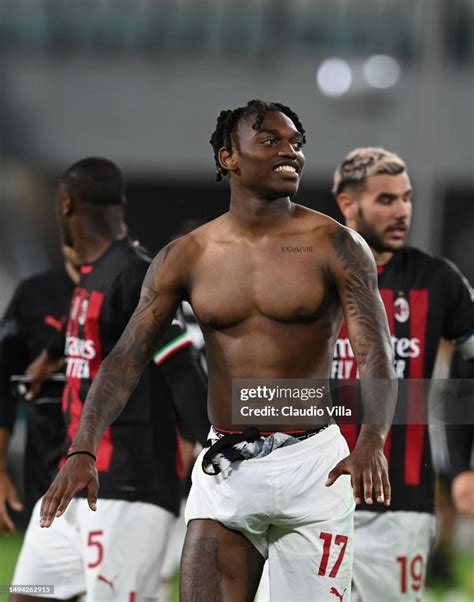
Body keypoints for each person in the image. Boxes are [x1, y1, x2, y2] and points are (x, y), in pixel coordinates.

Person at [40, 101, 397, 602]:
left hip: (315, 464)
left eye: (296, 143)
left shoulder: (335, 245)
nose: (289, 152)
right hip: (226, 467)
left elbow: (375, 350)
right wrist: (83, 447)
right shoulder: (187, 254)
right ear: (228, 157)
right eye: (270, 140)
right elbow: (125, 358)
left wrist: (373, 439)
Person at [11, 157, 207, 602]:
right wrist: (48, 358)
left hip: (127, 488)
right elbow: (89, 330)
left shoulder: (136, 273)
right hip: (73, 484)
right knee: (29, 592)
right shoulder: (95, 274)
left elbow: (180, 365)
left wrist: (213, 451)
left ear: (65, 205)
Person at [331, 147, 474, 601]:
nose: (403, 211)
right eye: (386, 200)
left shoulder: (438, 280)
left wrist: (460, 466)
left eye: (407, 198)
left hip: (401, 504)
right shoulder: (307, 275)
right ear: (348, 205)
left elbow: (467, 369)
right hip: (311, 497)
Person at [0, 247, 78, 533]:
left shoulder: (129, 289)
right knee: (37, 579)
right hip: (44, 466)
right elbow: (4, 381)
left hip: (116, 467)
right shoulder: (33, 294)